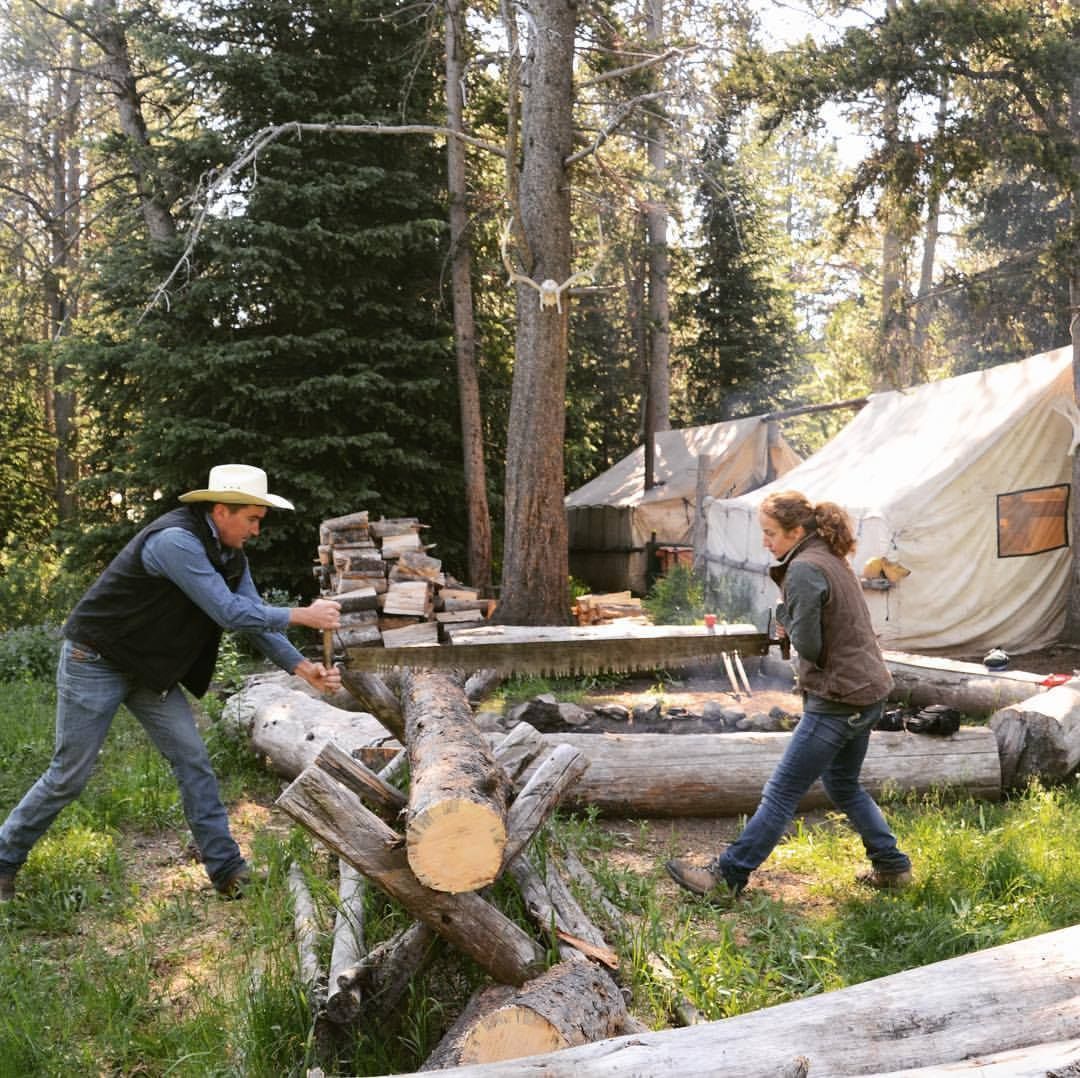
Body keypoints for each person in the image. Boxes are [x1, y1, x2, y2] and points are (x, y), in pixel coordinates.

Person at [0, 464, 342, 902]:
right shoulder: (175, 541)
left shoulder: (232, 557)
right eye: (252, 519)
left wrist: (301, 667)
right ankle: (5, 860)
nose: (257, 531)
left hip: (149, 671)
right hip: (96, 658)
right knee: (69, 775)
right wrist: (302, 614)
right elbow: (228, 612)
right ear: (221, 510)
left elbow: (256, 623)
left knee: (193, 760)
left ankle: (227, 869)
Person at [666, 489, 912, 900]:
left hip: (840, 698)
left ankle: (727, 876)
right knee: (844, 784)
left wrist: (784, 618)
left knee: (782, 792)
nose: (765, 541)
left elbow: (811, 648)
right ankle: (893, 867)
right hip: (869, 691)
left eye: (771, 533)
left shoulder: (804, 568)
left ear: (797, 530)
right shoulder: (830, 557)